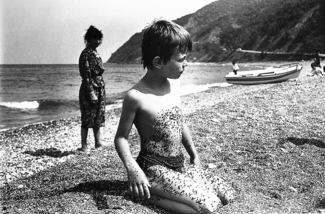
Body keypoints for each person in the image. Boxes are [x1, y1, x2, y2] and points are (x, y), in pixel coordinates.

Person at [114, 20, 236, 214]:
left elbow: (179, 123)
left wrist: (193, 154)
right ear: (158, 62)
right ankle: (145, 192)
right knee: (208, 205)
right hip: (154, 168)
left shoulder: (172, 86)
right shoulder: (136, 97)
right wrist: (133, 169)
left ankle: (148, 194)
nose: (186, 63)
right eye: (181, 59)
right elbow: (121, 138)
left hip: (179, 165)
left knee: (227, 195)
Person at [78, 25, 106, 152]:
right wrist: (91, 92)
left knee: (98, 116)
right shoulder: (86, 54)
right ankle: (84, 145)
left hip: (99, 86)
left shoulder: (95, 52)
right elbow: (86, 74)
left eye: (99, 39)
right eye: (95, 39)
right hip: (90, 88)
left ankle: (97, 142)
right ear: (89, 39)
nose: (98, 41)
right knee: (87, 117)